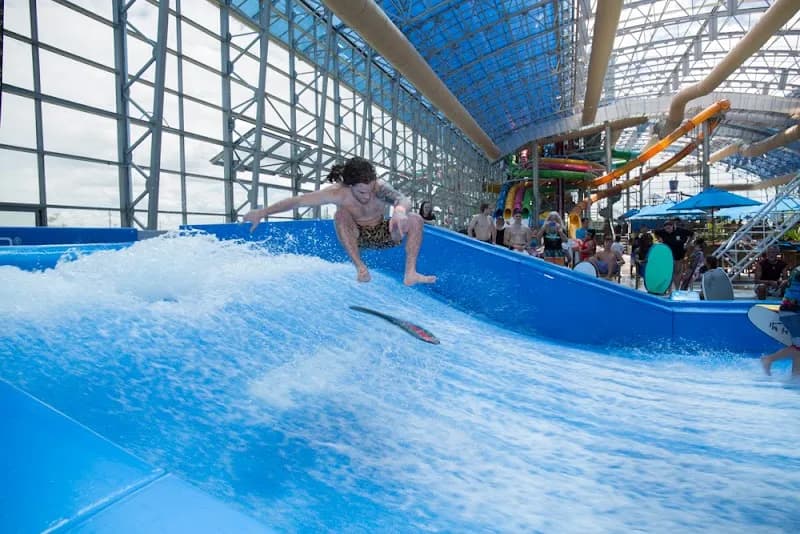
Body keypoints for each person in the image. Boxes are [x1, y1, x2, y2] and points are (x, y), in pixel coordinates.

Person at [242, 156, 435, 286]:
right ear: (349, 186)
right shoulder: (336, 193)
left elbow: (403, 199)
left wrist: (399, 211)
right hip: (357, 236)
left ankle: (410, 273)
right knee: (341, 214)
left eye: (370, 190)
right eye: (361, 192)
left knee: (415, 219)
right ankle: (360, 267)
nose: (367, 196)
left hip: (385, 232)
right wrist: (263, 212)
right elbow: (298, 201)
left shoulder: (379, 187)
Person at [760, 265, 800, 376]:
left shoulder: (797, 269)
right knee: (799, 346)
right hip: (793, 312)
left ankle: (796, 375)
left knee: (798, 345)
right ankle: (769, 359)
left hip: (790, 310)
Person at [654, 218, 694, 291]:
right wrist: (660, 239)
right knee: (669, 273)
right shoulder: (663, 232)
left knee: (677, 273)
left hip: (679, 255)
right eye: (666, 229)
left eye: (669, 228)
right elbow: (655, 233)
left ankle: (677, 289)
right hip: (668, 255)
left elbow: (692, 234)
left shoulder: (681, 231)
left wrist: (688, 244)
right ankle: (669, 289)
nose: (667, 230)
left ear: (673, 226)